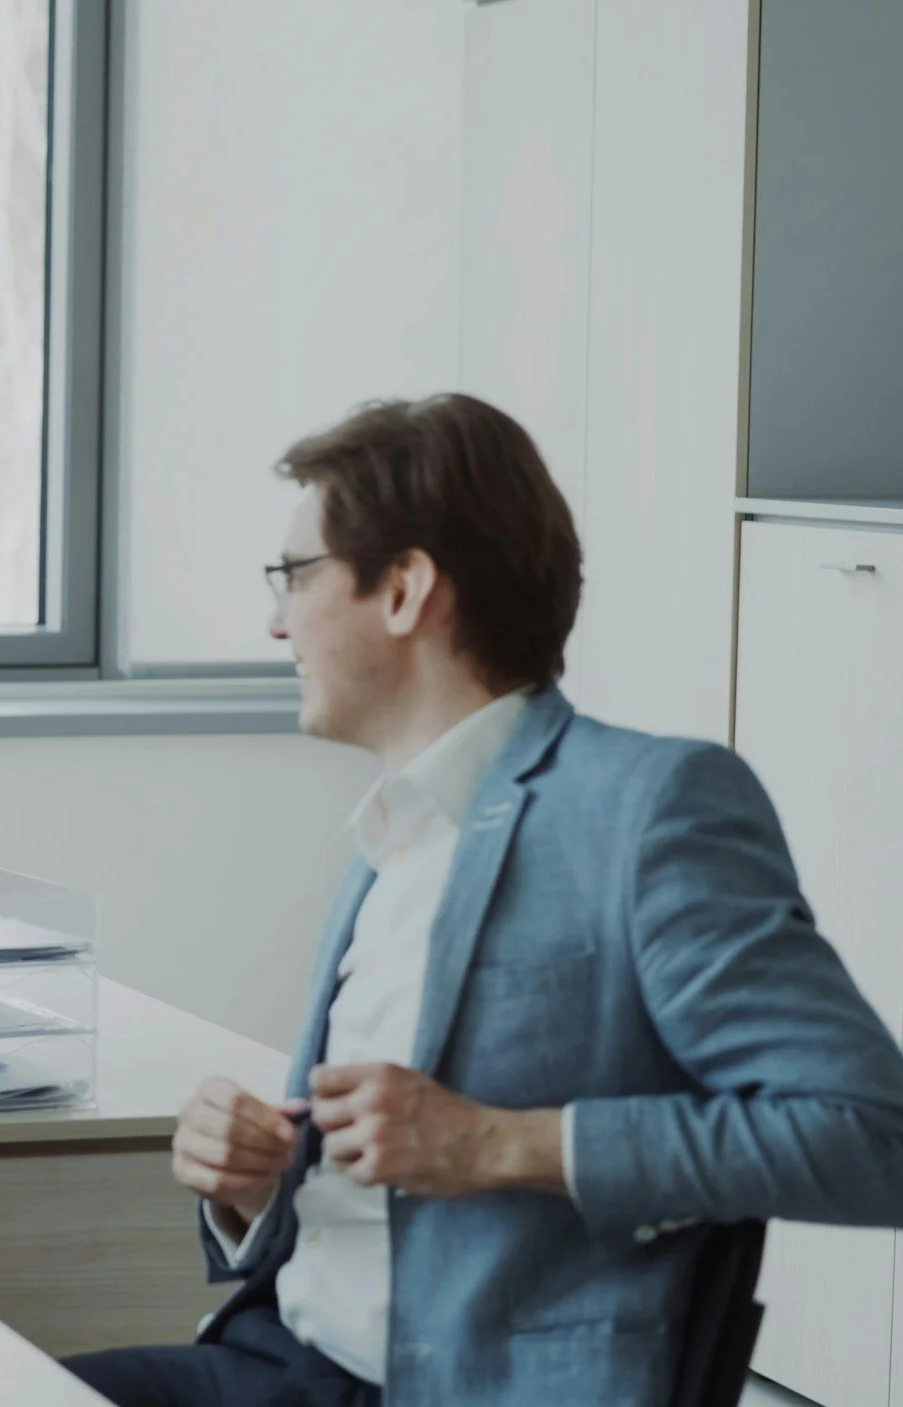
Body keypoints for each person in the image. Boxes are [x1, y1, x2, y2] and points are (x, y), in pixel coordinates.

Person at [63, 394, 903, 1405]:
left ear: (405, 589)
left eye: (296, 574)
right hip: (286, 1360)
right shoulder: (390, 832)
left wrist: (501, 1143)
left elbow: (871, 1137)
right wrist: (256, 1188)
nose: (275, 619)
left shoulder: (645, 807)